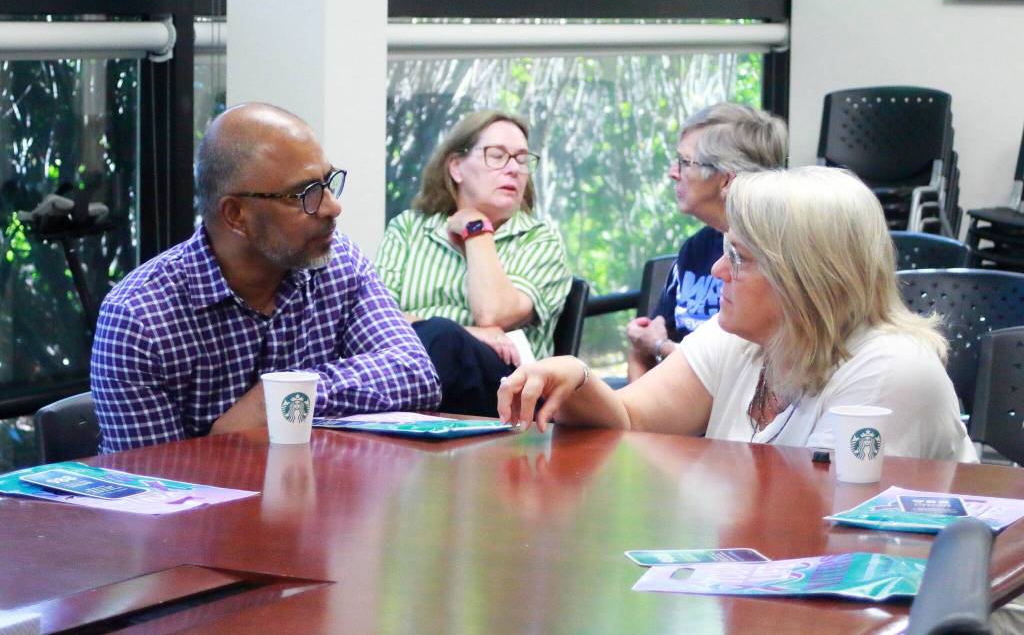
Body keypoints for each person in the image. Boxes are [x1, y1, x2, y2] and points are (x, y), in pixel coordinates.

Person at [497, 166, 976, 462]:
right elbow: (627, 421)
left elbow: (830, 524)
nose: (718, 269)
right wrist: (575, 377)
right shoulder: (742, 335)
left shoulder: (889, 367)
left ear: (805, 277)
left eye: (741, 257)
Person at [91, 103, 440, 452]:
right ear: (236, 215)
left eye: (328, 182)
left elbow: (415, 372)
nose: (332, 207)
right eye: (306, 194)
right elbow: (150, 489)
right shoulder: (139, 319)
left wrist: (281, 398)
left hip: (320, 497)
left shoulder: (337, 263)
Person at [376, 110, 571, 416]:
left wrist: (476, 229)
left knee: (444, 337)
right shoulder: (408, 229)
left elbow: (492, 312)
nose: (513, 169)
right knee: (439, 336)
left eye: (521, 159)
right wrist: (471, 332)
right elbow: (376, 318)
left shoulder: (540, 239)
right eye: (497, 156)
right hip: (411, 365)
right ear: (456, 167)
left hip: (507, 387)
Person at [626, 103, 787, 382]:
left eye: (685, 162)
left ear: (726, 179)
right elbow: (641, 354)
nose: (672, 173)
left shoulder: (775, 258)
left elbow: (744, 380)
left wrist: (660, 346)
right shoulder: (695, 248)